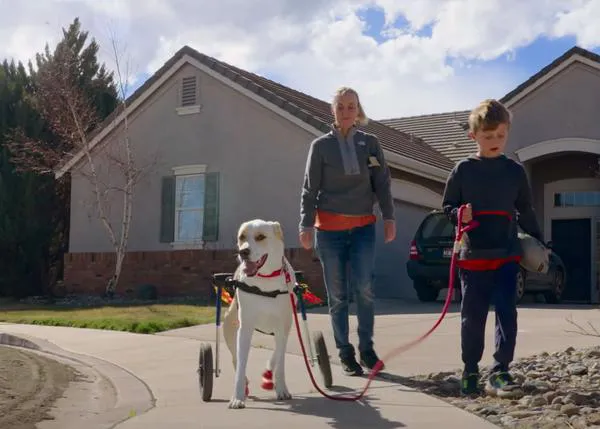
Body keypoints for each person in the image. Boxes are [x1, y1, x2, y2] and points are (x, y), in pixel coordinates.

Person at [442, 99, 545, 398]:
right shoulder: (462, 170)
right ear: (473, 136)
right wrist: (458, 214)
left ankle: (500, 370)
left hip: (506, 254)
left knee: (506, 312)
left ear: (507, 133)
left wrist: (539, 241)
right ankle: (470, 368)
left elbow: (525, 209)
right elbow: (447, 206)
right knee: (472, 316)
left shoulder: (514, 172)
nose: (495, 142)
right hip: (473, 256)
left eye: (500, 135)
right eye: (488, 136)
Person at [298, 86, 396, 376]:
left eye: (351, 106)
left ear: (358, 110)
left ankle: (367, 349)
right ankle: (345, 353)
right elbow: (309, 189)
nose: (346, 111)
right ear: (333, 110)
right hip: (329, 232)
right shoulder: (320, 146)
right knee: (338, 296)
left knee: (364, 290)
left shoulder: (371, 143)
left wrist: (389, 217)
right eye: (340, 106)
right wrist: (305, 224)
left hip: (363, 228)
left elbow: (383, 183)